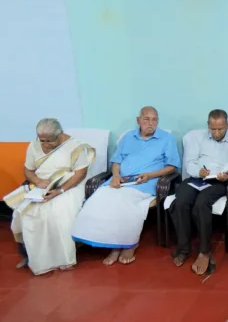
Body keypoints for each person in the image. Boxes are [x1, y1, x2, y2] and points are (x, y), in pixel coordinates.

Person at [72, 106, 180, 265]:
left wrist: (150, 175)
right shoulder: (128, 137)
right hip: (120, 181)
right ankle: (110, 244)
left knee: (122, 202)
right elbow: (116, 161)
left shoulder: (167, 139)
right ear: (138, 120)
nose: (150, 123)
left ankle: (129, 244)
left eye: (154, 119)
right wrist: (115, 175)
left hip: (146, 182)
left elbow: (172, 166)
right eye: (146, 119)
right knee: (98, 197)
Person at [6, 119, 95, 274]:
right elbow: (28, 170)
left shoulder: (75, 147)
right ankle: (31, 256)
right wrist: (38, 181)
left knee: (58, 212)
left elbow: (81, 173)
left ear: (59, 135)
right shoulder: (34, 145)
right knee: (23, 213)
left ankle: (63, 259)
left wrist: (60, 190)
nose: (45, 144)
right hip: (41, 185)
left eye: (49, 141)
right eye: (42, 140)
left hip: (69, 185)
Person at [170, 109, 228, 274]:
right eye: (213, 129)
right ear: (208, 125)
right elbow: (190, 162)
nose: (217, 133)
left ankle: (204, 251)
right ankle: (183, 248)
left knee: (201, 203)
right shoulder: (198, 139)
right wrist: (198, 171)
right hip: (198, 178)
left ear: (227, 125)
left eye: (221, 129)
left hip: (219, 181)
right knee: (180, 202)